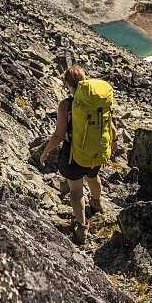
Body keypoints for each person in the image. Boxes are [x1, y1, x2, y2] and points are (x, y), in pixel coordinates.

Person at [40, 65, 117, 244]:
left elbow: (59, 135)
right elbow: (110, 122)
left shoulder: (66, 105)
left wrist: (45, 152)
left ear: (67, 84)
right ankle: (97, 204)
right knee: (93, 176)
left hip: (75, 154)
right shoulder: (99, 98)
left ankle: (82, 229)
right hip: (97, 151)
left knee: (76, 190)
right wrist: (114, 139)